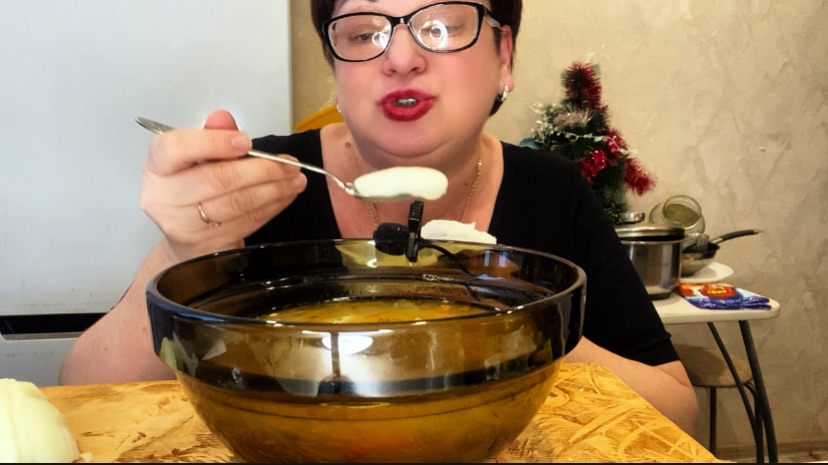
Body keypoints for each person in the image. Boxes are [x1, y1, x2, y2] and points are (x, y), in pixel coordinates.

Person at [60, 0, 698, 434]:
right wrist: (180, 251)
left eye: (441, 24)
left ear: (503, 55)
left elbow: (677, 410)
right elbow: (79, 395)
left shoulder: (552, 190)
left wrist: (529, 328)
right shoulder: (261, 183)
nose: (400, 58)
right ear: (336, 67)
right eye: (364, 32)